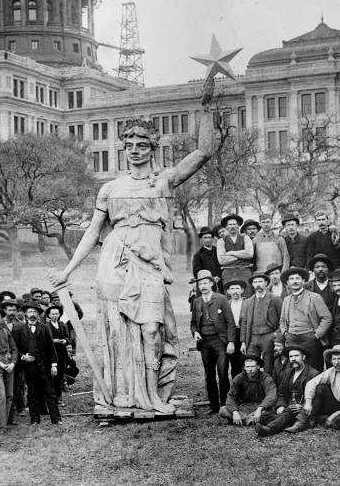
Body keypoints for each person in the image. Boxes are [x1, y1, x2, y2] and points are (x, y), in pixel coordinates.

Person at [51, 115, 213, 413]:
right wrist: (68, 270)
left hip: (150, 262)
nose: (135, 150)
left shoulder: (163, 181)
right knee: (119, 330)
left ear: (153, 149)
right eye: (129, 145)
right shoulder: (110, 188)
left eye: (141, 145)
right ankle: (123, 395)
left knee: (153, 329)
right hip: (116, 259)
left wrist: (206, 108)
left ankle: (152, 396)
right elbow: (92, 232)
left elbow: (203, 152)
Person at [189, 270, 236, 414]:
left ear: (211, 283)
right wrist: (195, 332)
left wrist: (231, 342)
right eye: (200, 283)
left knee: (222, 373)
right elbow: (193, 323)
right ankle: (214, 405)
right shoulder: (196, 301)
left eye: (205, 283)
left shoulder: (221, 299)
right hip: (205, 343)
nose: (203, 286)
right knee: (209, 374)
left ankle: (225, 404)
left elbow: (230, 322)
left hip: (220, 341)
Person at [13, 301, 61, 425]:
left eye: (35, 312)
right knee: (32, 392)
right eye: (30, 311)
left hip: (44, 366)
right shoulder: (20, 329)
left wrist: (54, 365)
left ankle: (56, 419)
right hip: (29, 367)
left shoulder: (44, 328)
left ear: (38, 314)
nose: (32, 314)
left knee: (50, 392)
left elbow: (51, 348)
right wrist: (23, 357)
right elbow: (15, 349)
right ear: (25, 314)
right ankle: (34, 419)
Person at [255, 345, 319, 437]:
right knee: (263, 416)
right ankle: (287, 422)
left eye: (296, 356)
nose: (293, 359)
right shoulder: (288, 372)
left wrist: (302, 406)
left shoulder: (313, 374)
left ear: (303, 357)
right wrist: (281, 406)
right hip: (288, 407)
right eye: (291, 356)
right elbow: (282, 393)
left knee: (289, 411)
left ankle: (268, 430)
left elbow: (315, 397)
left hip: (302, 410)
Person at [277, 267, 332, 371]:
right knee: (294, 369)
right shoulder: (286, 299)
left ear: (303, 281)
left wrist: (316, 334)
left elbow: (327, 318)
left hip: (310, 338)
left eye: (298, 278)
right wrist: (285, 333)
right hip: (292, 338)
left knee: (313, 369)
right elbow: (282, 320)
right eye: (292, 279)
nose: (295, 281)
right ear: (287, 283)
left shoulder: (314, 297)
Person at [240, 270, 282, 371]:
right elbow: (244, 323)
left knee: (268, 366)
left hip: (268, 336)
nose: (258, 284)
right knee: (250, 364)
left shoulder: (274, 299)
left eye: (260, 281)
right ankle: (254, 386)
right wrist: (243, 342)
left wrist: (276, 335)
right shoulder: (248, 302)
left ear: (266, 283)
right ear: (252, 285)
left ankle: (269, 385)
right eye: (255, 282)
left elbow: (283, 319)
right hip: (252, 337)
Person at [219, 355, 276, 426]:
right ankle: (250, 420)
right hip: (245, 407)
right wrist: (235, 412)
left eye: (252, 366)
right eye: (247, 367)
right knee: (223, 410)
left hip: (261, 406)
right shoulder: (239, 378)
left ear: (258, 367)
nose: (250, 369)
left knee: (270, 412)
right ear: (244, 368)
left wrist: (259, 409)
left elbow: (271, 395)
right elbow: (231, 396)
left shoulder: (266, 378)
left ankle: (243, 420)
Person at [216, 214, 256, 294]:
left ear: (238, 226)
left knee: (246, 294)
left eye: (234, 224)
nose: (232, 226)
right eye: (230, 224)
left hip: (244, 270)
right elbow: (221, 260)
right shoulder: (221, 241)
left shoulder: (245, 238)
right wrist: (240, 256)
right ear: (226, 227)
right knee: (230, 295)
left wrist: (231, 253)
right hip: (228, 272)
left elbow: (249, 254)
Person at [45, 304, 75, 398]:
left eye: (57, 314)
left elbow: (68, 337)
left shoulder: (62, 324)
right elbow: (44, 340)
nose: (55, 316)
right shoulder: (46, 326)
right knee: (52, 375)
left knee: (60, 375)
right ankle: (51, 396)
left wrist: (65, 341)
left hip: (62, 353)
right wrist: (53, 341)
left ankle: (58, 397)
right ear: (49, 315)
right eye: (53, 314)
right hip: (51, 354)